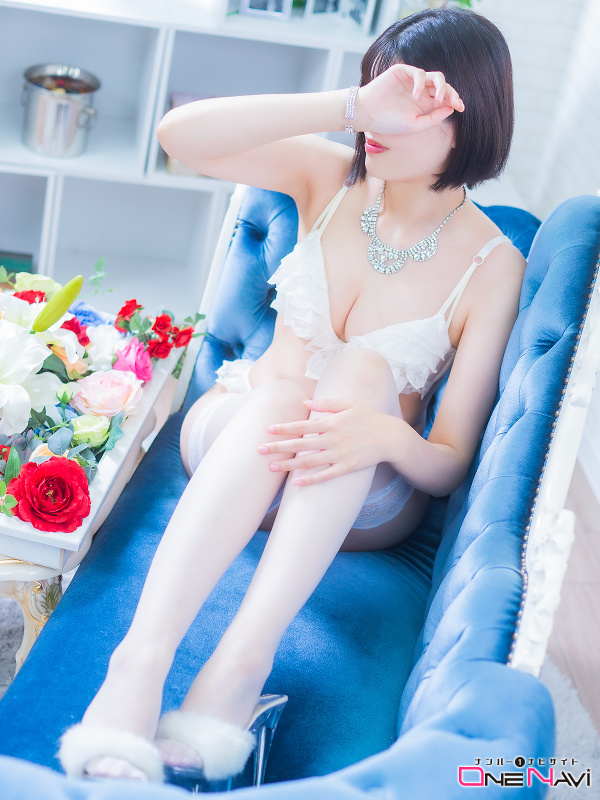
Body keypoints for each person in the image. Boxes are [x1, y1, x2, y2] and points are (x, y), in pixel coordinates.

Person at [58, 6, 525, 786]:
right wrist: (351, 104)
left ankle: (240, 665)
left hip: (360, 492)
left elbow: (448, 462)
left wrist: (384, 437)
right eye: (377, 94)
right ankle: (138, 665)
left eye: (406, 105)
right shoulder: (329, 178)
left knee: (365, 373)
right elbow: (179, 136)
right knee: (282, 399)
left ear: (464, 118)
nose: (378, 124)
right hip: (240, 438)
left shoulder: (492, 265)